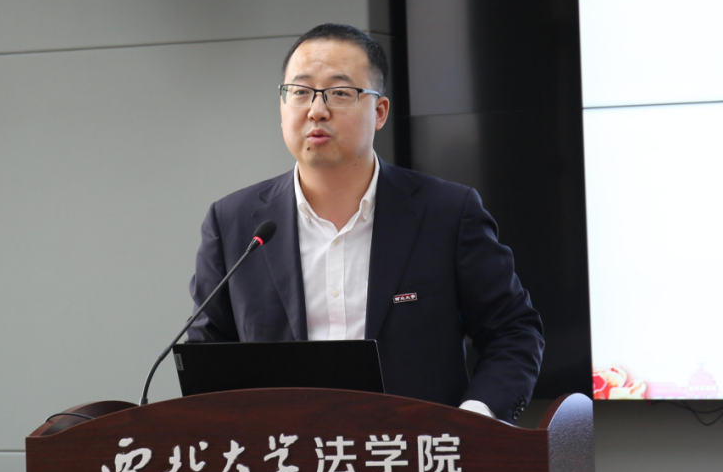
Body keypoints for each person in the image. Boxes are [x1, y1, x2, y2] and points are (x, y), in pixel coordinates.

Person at [187, 24, 544, 422]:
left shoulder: (447, 213)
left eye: (340, 93)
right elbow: (207, 354)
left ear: (379, 112)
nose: (316, 110)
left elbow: (513, 332)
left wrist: (474, 420)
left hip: (416, 450)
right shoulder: (234, 223)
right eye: (300, 92)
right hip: (285, 452)